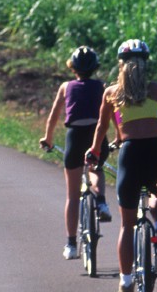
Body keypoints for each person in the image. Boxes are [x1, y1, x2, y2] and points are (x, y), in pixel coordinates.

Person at [86, 39, 157, 292]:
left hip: (129, 155)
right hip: (156, 152)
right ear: (146, 63)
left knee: (127, 225)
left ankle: (126, 282)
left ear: (120, 64)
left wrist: (93, 150)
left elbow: (102, 128)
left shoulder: (111, 93)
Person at [40, 45, 112, 259]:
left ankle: (71, 245)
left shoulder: (65, 87)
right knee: (95, 167)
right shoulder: (101, 86)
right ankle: (100, 200)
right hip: (95, 134)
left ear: (73, 68)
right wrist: (120, 134)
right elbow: (113, 113)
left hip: (74, 136)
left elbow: (54, 115)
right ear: (95, 67)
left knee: (72, 195)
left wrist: (48, 138)